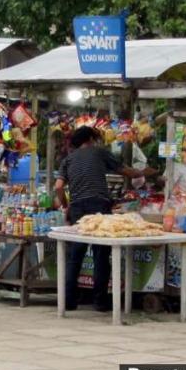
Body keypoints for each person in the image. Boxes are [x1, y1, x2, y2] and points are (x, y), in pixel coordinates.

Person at [54, 126, 157, 310]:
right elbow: (128, 172)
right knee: (101, 255)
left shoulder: (68, 160)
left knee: (75, 255)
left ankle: (68, 301)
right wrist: (145, 172)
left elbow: (58, 186)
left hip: (77, 207)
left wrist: (65, 205)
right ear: (92, 138)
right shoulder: (100, 152)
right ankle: (100, 302)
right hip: (99, 205)